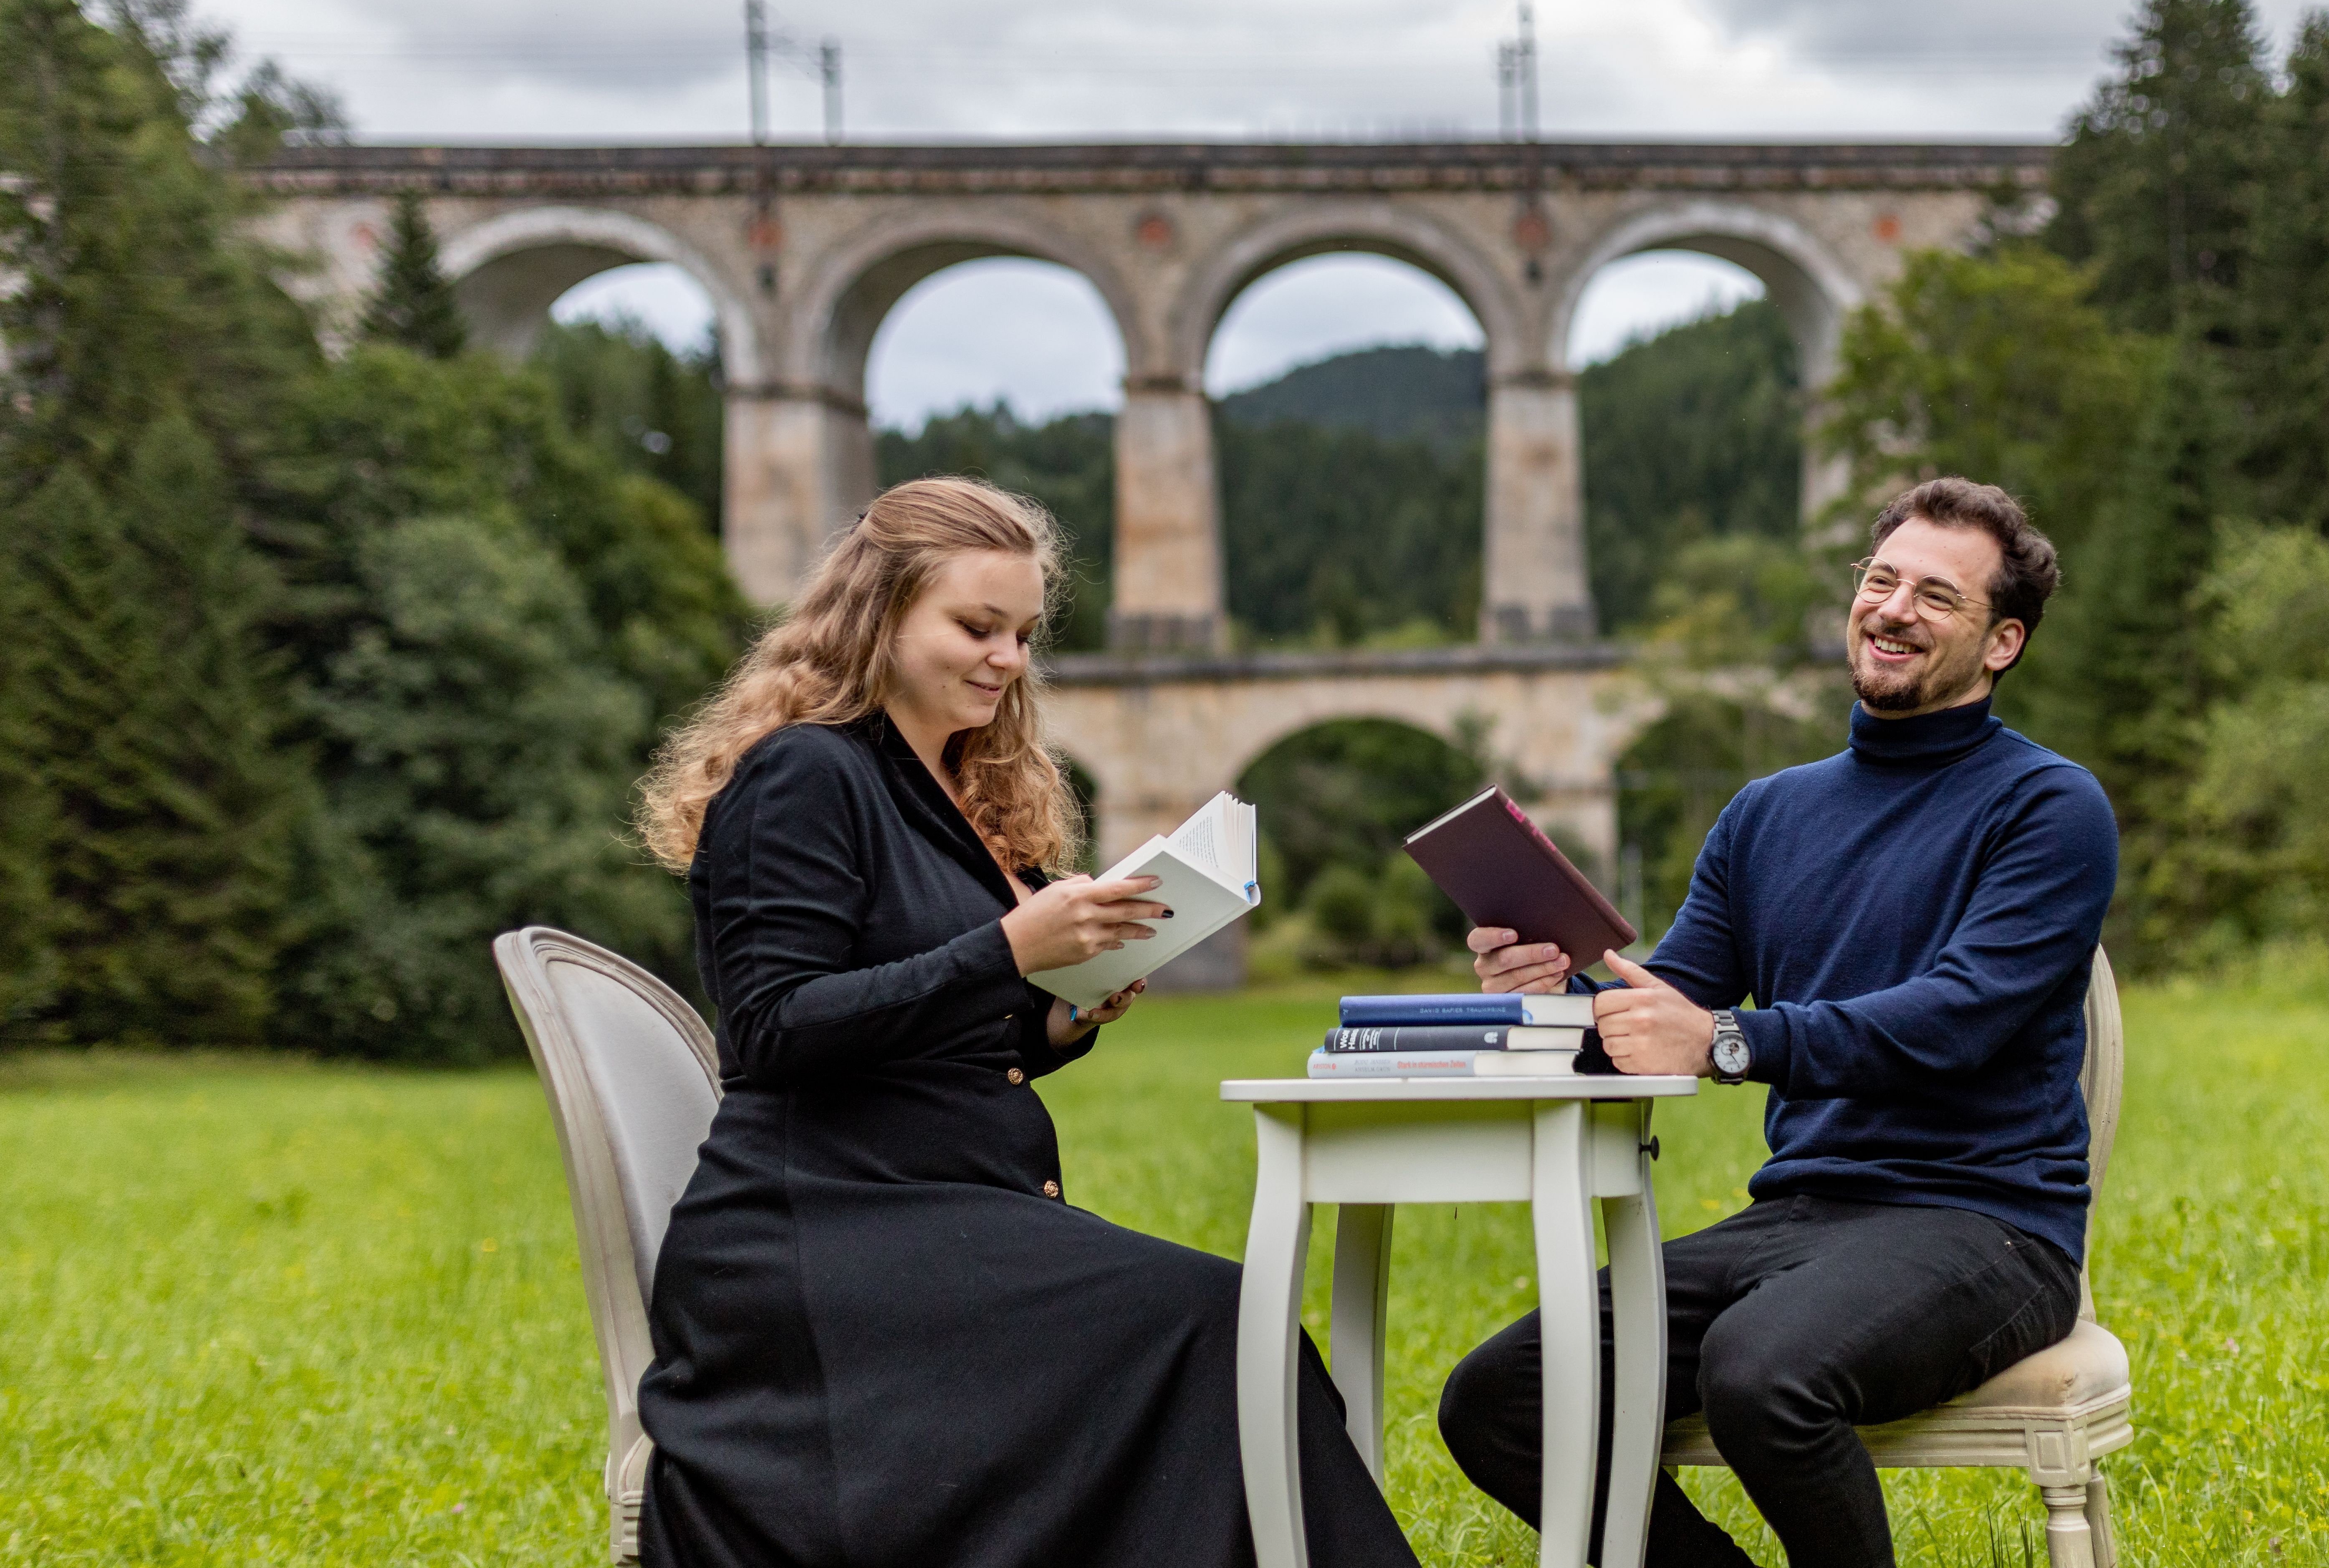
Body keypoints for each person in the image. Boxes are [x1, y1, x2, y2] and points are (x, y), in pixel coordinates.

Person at [632, 477, 1416, 1568]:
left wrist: (1053, 1017)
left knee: (1224, 1325)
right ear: (878, 615)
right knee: (1217, 1317)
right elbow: (772, 1029)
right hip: (820, 1237)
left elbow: (934, 1036)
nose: (1006, 659)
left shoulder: (947, 789)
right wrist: (1008, 950)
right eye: (975, 626)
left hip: (939, 1212)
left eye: (1022, 633)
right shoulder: (803, 773)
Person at [1438, 478, 2118, 1568]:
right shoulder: (1768, 814)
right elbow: (1654, 1006)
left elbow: (1958, 1016)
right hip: (1796, 1221)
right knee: (1499, 1399)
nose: (1892, 609)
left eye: (1935, 597)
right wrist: (1549, 993)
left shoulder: (2047, 806)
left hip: (1986, 1225)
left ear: (2000, 643)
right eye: (1880, 579)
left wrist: (1725, 1038)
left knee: (1762, 1369)